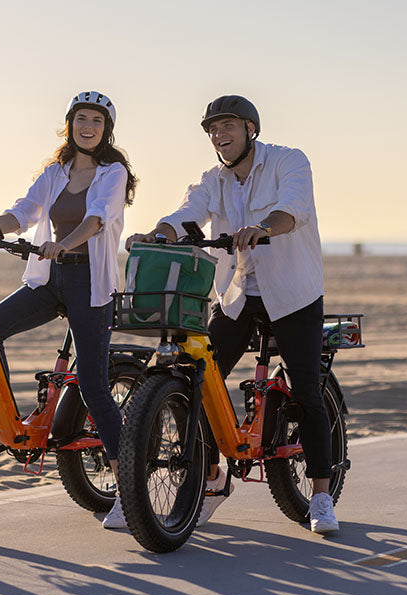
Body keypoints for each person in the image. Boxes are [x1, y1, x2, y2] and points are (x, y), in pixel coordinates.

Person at [125, 95, 339, 534]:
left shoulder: (288, 162)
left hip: (292, 293)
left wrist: (264, 228)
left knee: (306, 391)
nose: (220, 137)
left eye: (228, 128)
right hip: (238, 294)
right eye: (213, 130)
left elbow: (294, 209)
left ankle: (320, 495)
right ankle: (212, 479)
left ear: (250, 130)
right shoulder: (213, 179)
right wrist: (157, 233)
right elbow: (187, 215)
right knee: (198, 381)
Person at [0, 91, 137, 529]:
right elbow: (21, 214)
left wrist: (63, 244)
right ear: (69, 124)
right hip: (49, 279)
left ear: (106, 130)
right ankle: (1, 422)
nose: (88, 126)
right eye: (81, 118)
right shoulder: (54, 173)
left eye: (97, 121)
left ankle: (128, 490)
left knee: (91, 383)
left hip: (90, 282)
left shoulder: (112, 172)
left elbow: (98, 218)